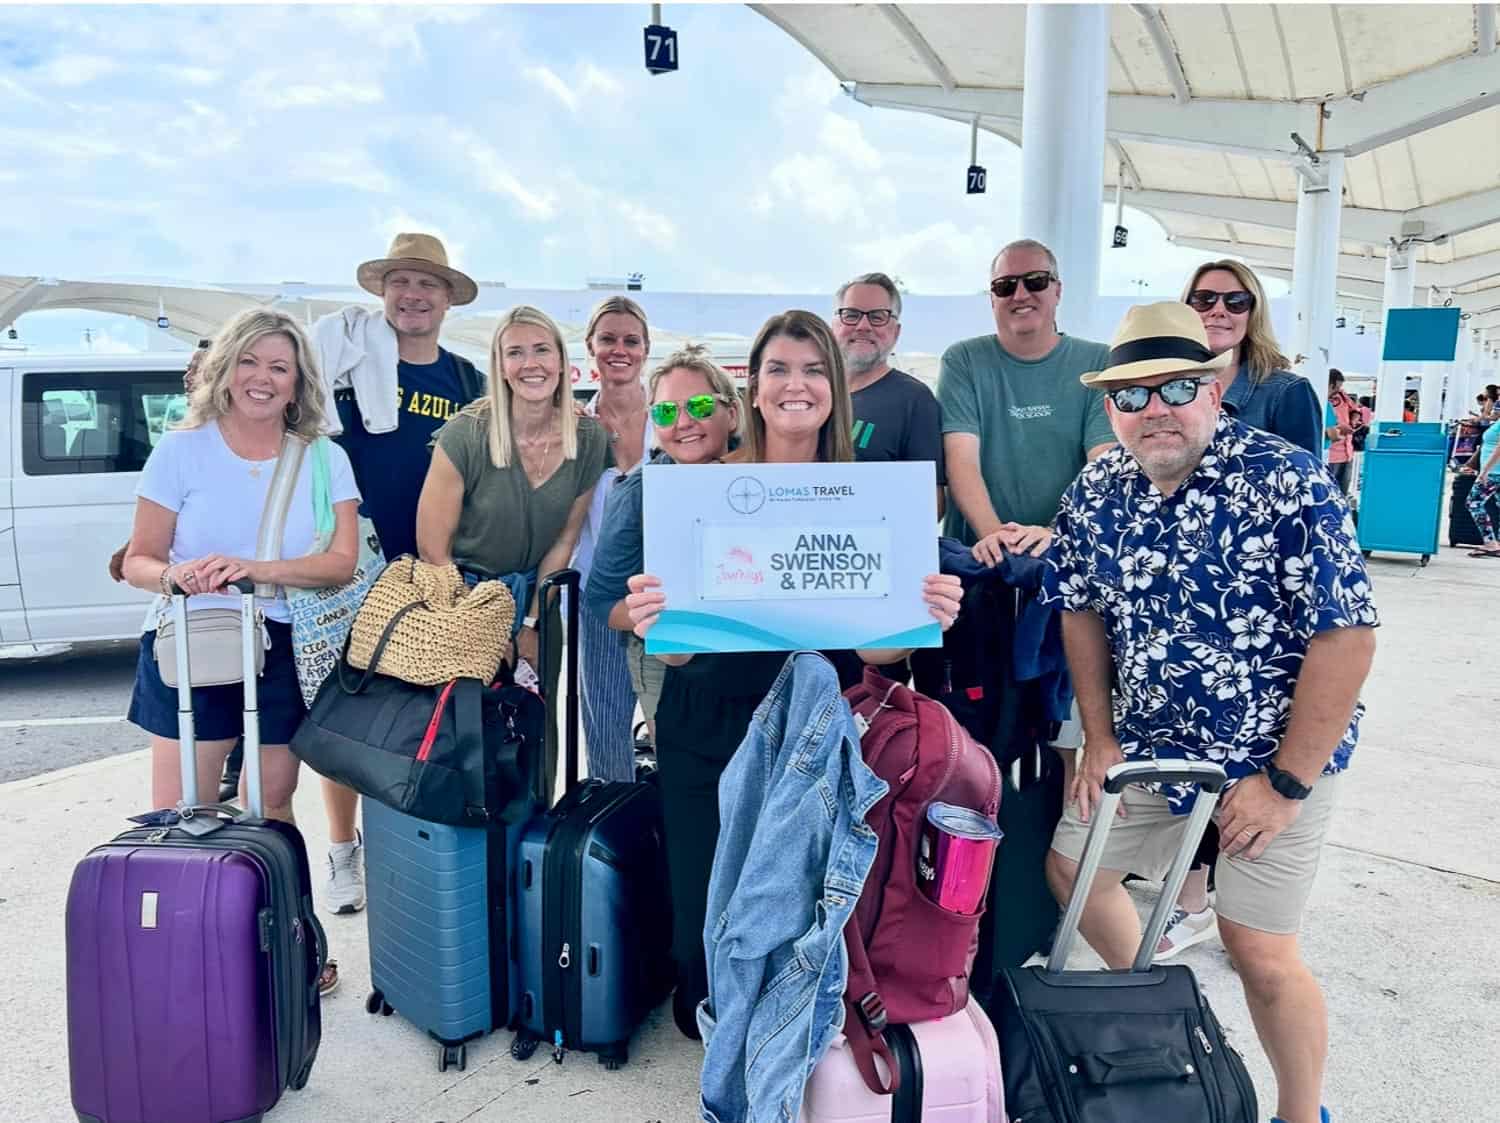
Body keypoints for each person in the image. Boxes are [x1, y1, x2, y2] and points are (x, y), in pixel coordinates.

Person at [1041, 302, 1378, 1123]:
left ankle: (1303, 1113)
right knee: (1072, 869)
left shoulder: (1286, 480)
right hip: (1151, 748)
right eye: (1132, 395)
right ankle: (1187, 1029)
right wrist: (1100, 732)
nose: (1154, 408)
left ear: (1217, 387)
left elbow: (1348, 635)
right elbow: (1078, 605)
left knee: (1258, 948)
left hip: (1274, 754)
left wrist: (1286, 783)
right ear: (1110, 406)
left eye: (1178, 386)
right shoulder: (1098, 487)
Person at [624, 310, 963, 1040]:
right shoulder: (705, 486)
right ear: (754, 388)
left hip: (821, 724)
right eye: (778, 368)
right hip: (708, 724)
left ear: (835, 390)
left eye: (813, 369)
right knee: (705, 938)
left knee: (806, 907)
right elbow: (679, 653)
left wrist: (925, 607)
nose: (795, 384)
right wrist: (656, 620)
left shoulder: (873, 494)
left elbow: (877, 657)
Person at [121, 309, 360, 993]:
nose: (262, 378)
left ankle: (291, 944)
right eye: (249, 361)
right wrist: (174, 576)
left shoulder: (322, 456)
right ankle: (187, 962)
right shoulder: (180, 450)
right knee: (179, 812)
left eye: (279, 367)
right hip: (190, 643)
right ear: (224, 370)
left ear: (297, 384)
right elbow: (140, 558)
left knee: (271, 802)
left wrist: (258, 570)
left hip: (277, 643)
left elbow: (341, 561)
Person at [311, 232, 486, 917]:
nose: (413, 296)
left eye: (427, 285)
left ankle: (411, 841)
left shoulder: (468, 381)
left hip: (438, 569)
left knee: (425, 718)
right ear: (382, 292)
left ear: (446, 299)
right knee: (347, 710)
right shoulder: (343, 364)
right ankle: (341, 851)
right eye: (401, 283)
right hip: (356, 561)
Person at [416, 305, 608, 803]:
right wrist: (484, 628)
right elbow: (433, 549)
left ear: (563, 362)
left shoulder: (586, 440)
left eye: (541, 349)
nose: (530, 363)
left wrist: (530, 623)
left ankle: (534, 851)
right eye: (515, 352)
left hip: (539, 599)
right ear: (500, 366)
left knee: (535, 732)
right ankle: (467, 862)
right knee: (468, 740)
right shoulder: (468, 433)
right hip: (463, 599)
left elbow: (565, 539)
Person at [585, 344, 741, 744]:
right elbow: (602, 600)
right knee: (689, 780)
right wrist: (646, 614)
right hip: (667, 664)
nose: (685, 422)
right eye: (667, 412)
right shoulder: (637, 492)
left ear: (733, 413)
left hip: (750, 655)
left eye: (701, 406)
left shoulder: (764, 481)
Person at [939, 239, 1115, 564]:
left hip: (1066, 558)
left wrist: (1057, 533)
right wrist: (995, 538)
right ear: (992, 298)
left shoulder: (1100, 361)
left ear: (1057, 290)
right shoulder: (963, 360)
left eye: (1035, 281)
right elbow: (960, 460)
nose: (1020, 295)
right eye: (1004, 286)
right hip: (979, 562)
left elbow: (1102, 465)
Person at [571, 296, 652, 781]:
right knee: (604, 730)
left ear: (646, 348)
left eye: (630, 340)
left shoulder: (674, 419)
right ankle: (611, 838)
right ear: (590, 348)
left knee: (674, 728)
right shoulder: (573, 424)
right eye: (607, 339)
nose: (618, 350)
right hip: (598, 596)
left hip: (664, 594)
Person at [832, 271, 945, 517]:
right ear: (834, 325)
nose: (863, 326)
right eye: (851, 315)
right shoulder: (810, 393)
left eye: (878, 317)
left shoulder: (914, 400)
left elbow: (931, 505)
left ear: (896, 331)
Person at [1182, 259, 1322, 456]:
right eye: (1204, 299)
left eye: (1237, 302)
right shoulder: (1155, 386)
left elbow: (1308, 480)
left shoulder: (1287, 393)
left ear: (1253, 313)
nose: (1218, 311)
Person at [1464, 411, 1500, 558]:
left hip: (1494, 472)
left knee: (1473, 503)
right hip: (1495, 471)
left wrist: (1485, 470)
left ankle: (1490, 543)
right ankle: (1496, 543)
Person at [1324, 369, 1360, 493]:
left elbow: (1355, 410)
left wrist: (1353, 421)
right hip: (1330, 456)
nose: (1337, 391)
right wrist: (1340, 430)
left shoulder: (1342, 396)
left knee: (1342, 493)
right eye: (1336, 387)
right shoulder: (1322, 401)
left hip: (1347, 453)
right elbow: (1331, 434)